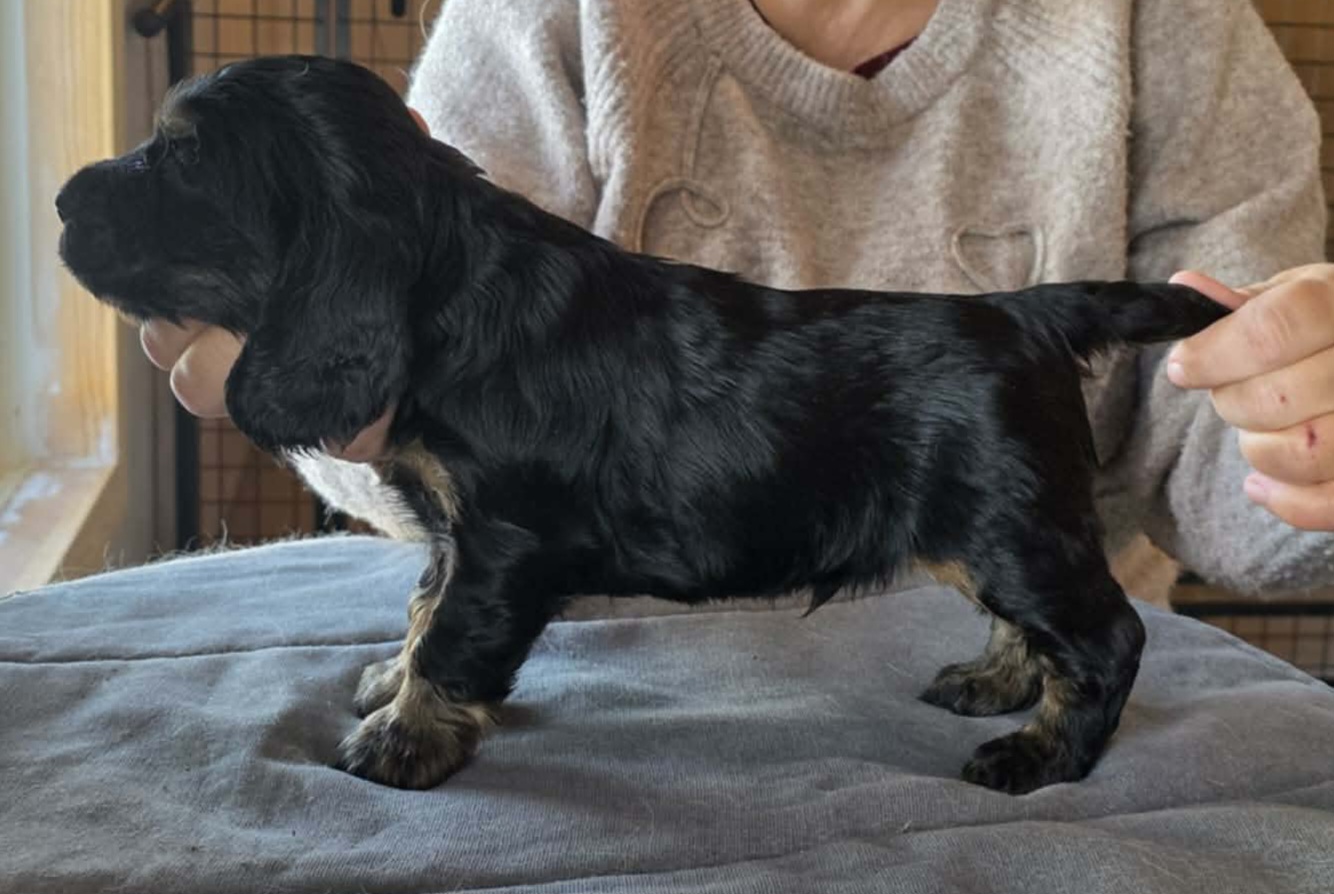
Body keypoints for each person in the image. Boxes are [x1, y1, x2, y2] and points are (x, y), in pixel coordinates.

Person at [142, 0, 1334, 603]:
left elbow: (1231, 474)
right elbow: (448, 486)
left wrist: (1307, 437)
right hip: (608, 683)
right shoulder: (538, 19)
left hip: (1016, 676)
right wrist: (348, 405)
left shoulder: (1169, 28)